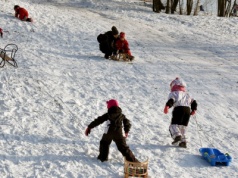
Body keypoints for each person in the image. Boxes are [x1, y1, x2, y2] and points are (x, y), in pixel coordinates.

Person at [163, 77, 197, 148]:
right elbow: (193, 102)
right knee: (183, 126)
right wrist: (194, 110)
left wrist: (167, 106)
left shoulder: (174, 93)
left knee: (173, 125)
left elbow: (171, 100)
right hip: (187, 111)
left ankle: (177, 135)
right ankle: (183, 142)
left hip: (179, 109)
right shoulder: (187, 94)